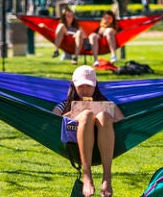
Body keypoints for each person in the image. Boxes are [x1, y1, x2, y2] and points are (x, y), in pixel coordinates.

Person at [53, 66, 124, 197]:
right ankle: (87, 176)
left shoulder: (106, 103)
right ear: (74, 85)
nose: (85, 90)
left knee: (104, 115)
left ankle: (107, 177)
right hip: (75, 144)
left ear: (95, 85)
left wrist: (107, 114)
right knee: (86, 114)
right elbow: (52, 121)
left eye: (89, 86)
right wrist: (72, 114)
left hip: (104, 142)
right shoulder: (65, 104)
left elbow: (123, 122)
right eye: (81, 86)